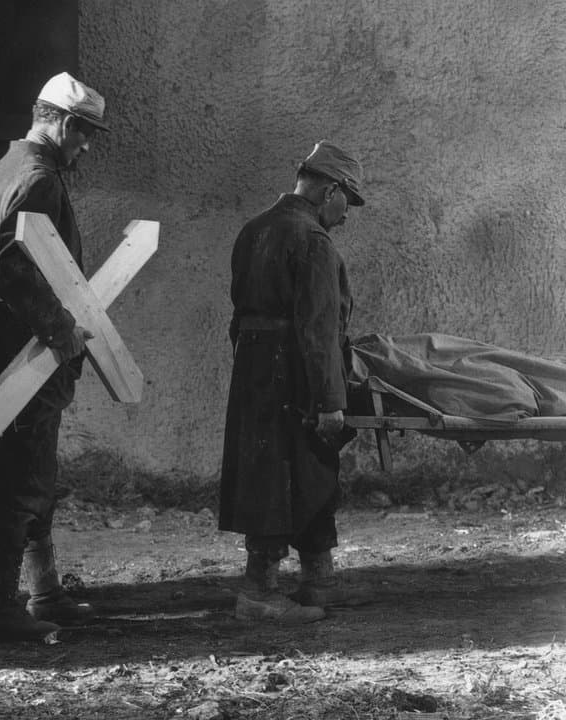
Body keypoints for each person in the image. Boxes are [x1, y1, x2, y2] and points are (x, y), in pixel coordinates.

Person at [0, 72, 103, 642]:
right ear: (59, 122)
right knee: (24, 475)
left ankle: (44, 591)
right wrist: (59, 330)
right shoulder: (39, 179)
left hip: (1, 340)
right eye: (83, 132)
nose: (86, 146)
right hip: (26, 349)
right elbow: (9, 265)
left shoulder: (2, 171)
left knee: (32, 469)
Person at [219, 140, 371, 624]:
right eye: (348, 202)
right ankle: (258, 593)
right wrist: (330, 399)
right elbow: (320, 329)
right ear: (330, 191)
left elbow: (238, 317)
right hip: (298, 375)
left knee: (294, 471)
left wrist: (254, 369)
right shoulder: (313, 240)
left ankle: (318, 580)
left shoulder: (254, 229)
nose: (346, 216)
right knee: (289, 473)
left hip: (256, 370)